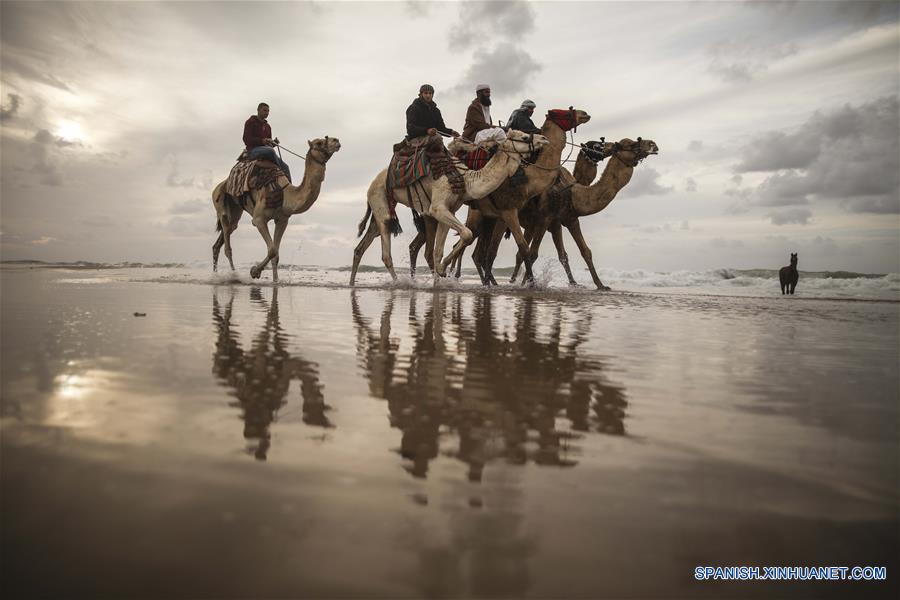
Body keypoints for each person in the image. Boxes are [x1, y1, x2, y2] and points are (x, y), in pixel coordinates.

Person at [243, 102, 291, 182]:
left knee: (286, 167)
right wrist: (262, 141)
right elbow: (246, 139)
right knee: (270, 151)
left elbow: (268, 145)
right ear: (258, 110)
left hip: (266, 151)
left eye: (268, 111)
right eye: (265, 110)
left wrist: (273, 143)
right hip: (252, 151)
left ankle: (289, 189)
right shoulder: (250, 122)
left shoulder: (268, 127)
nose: (267, 113)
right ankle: (279, 170)